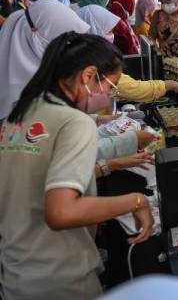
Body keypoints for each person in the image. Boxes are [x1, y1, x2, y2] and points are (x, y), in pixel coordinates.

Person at [0, 32, 153, 299]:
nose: (108, 98)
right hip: (61, 279)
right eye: (110, 87)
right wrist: (137, 201)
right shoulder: (74, 123)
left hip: (16, 274)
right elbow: (62, 211)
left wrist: (108, 164)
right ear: (88, 75)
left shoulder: (21, 112)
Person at [0, 0, 90, 120]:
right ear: (36, 37)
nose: (69, 52)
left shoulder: (40, 74)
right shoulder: (21, 97)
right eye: (65, 43)